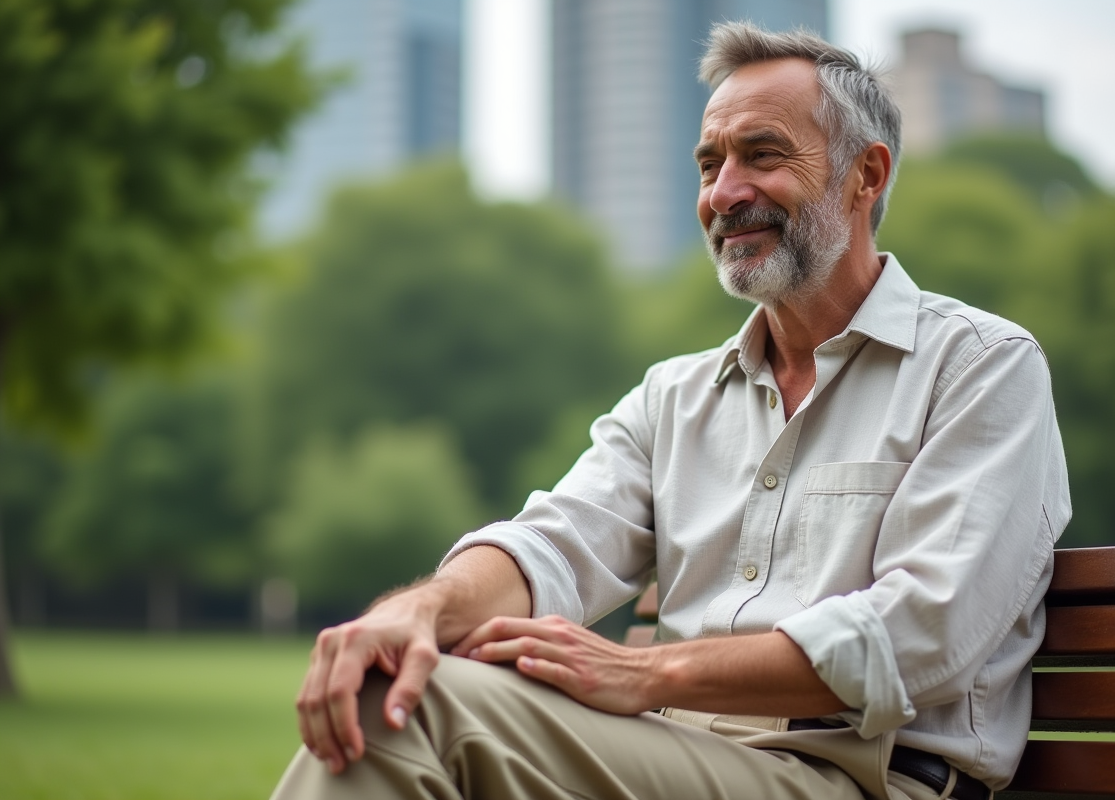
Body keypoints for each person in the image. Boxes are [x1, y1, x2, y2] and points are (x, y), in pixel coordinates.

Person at [270, 21, 1070, 800]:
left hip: (863, 778)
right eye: (708, 164)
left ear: (867, 174)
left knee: (414, 708)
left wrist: (650, 673)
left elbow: (924, 631)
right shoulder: (674, 396)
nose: (725, 194)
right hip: (673, 757)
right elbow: (555, 543)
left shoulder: (981, 367)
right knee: (396, 684)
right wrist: (417, 610)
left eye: (763, 155)